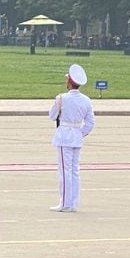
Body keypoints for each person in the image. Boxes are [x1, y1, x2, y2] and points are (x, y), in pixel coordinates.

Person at [49, 64, 95, 212]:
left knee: (64, 171)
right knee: (74, 171)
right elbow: (90, 122)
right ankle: (73, 202)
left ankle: (65, 203)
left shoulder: (62, 98)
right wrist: (80, 133)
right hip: (76, 135)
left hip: (64, 136)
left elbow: (52, 116)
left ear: (69, 82)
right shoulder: (86, 100)